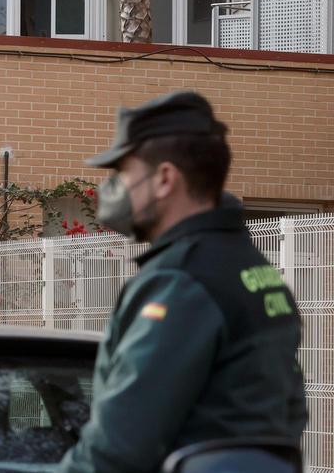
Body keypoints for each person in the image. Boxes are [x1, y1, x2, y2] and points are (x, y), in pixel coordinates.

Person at [58, 91, 307, 472]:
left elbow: (119, 445)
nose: (113, 189)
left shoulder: (181, 281)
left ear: (164, 179)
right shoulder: (250, 266)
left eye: (123, 173)